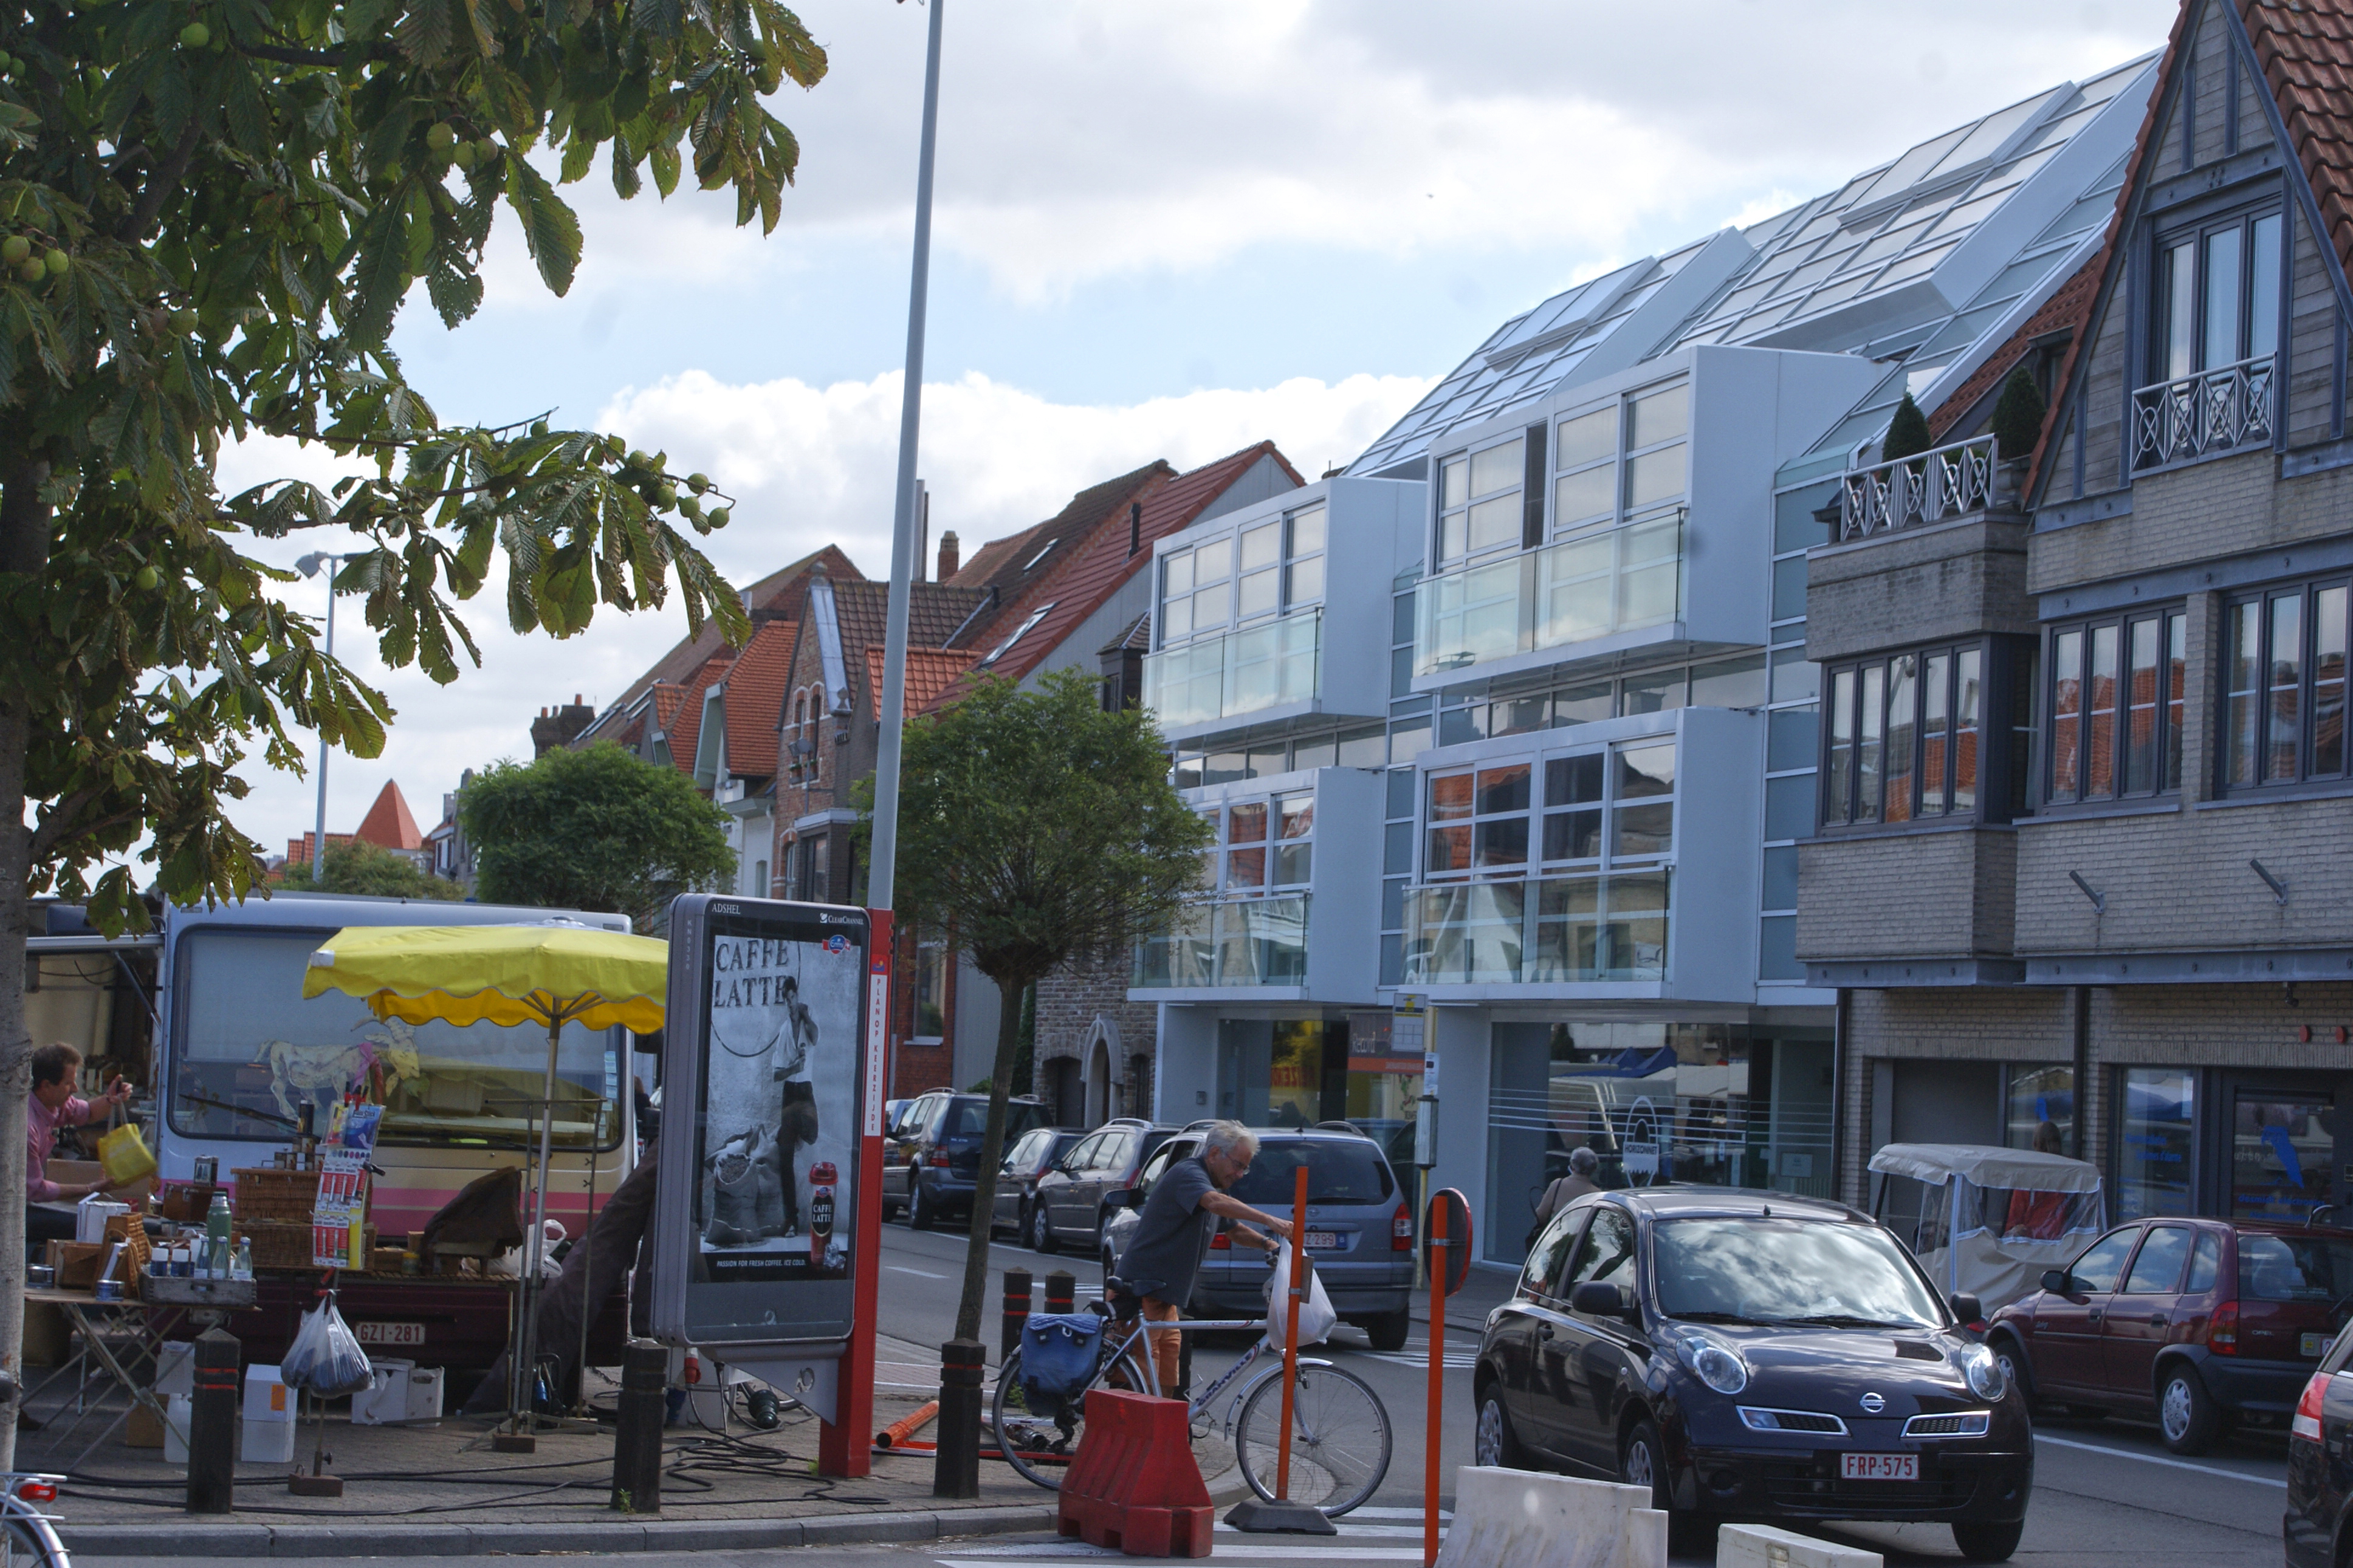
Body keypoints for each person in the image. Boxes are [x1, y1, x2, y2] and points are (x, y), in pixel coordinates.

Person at [1115, 1121, 1293, 1400]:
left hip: (1165, 1295)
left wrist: (1267, 1243)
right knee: (1139, 1379)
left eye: (1245, 1167)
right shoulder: (1189, 1175)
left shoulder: (1213, 1185)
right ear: (1213, 1155)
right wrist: (1269, 1219)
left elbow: (1231, 1227)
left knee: (1167, 1379)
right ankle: (1127, 1438)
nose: (1241, 1174)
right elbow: (1213, 1203)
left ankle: (1163, 1437)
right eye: (1237, 1165)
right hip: (1140, 1291)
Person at [25, 1042, 132, 1252]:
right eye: (68, 1083)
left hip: (27, 1200)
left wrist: (111, 1099)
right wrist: (91, 1189)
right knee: (89, 1225)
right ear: (46, 1086)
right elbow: (35, 1190)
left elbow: (88, 1113)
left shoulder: (52, 1104)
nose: (75, 1089)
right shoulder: (27, 1127)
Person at [1532, 1146, 1603, 1230]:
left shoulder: (1558, 1185)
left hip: (1557, 1237)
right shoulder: (1597, 1194)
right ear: (1594, 1169)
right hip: (1581, 1241)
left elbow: (1540, 1217)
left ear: (1572, 1166)